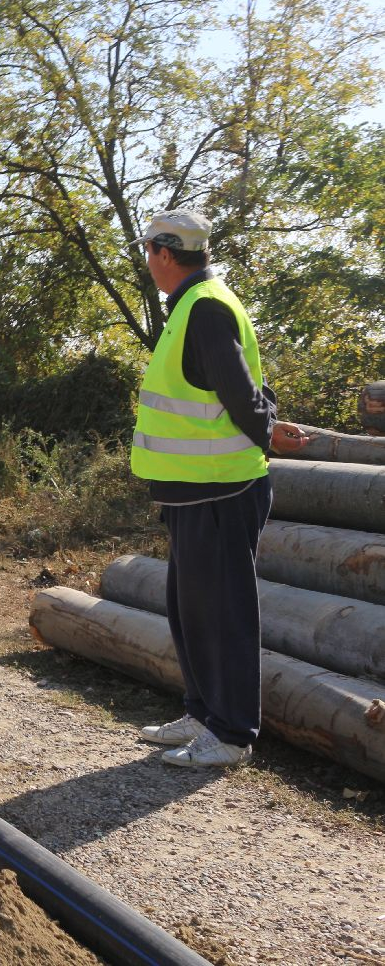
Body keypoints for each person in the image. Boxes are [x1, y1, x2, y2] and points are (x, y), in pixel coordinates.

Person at [129, 210, 310, 769]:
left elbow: (238, 389)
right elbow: (240, 385)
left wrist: (268, 431)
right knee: (190, 610)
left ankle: (230, 733)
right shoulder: (193, 305)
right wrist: (268, 419)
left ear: (164, 253)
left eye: (148, 252)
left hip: (221, 490)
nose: (147, 262)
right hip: (193, 492)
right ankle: (203, 711)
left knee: (223, 612)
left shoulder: (204, 308)